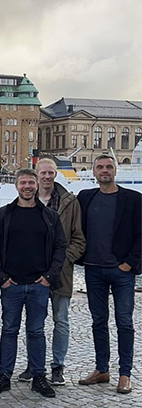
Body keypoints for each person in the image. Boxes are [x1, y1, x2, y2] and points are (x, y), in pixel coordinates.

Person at [0, 169, 66, 398]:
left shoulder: (49, 216)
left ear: (37, 185)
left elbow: (60, 247)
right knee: (9, 330)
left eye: (31, 182)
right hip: (11, 284)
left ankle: (39, 376)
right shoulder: (4, 215)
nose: (27, 186)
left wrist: (50, 277)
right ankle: (4, 375)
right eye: (23, 183)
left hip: (39, 284)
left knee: (36, 331)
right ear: (17, 186)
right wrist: (1, 277)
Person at [77, 155, 142, 394]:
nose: (104, 171)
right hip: (93, 269)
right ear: (94, 171)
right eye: (100, 167)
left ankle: (125, 374)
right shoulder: (85, 197)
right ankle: (102, 369)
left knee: (124, 322)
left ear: (115, 170)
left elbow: (141, 235)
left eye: (108, 167)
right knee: (98, 321)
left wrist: (129, 264)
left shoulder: (133, 199)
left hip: (121, 271)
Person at [17, 159, 85, 385]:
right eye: (43, 173)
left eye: (50, 173)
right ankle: (34, 364)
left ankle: (58, 366)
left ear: (56, 174)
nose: (47, 177)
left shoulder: (70, 202)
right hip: (34, 272)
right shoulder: (27, 200)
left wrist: (62, 260)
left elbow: (78, 239)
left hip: (61, 272)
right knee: (34, 322)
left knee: (61, 320)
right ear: (36, 174)